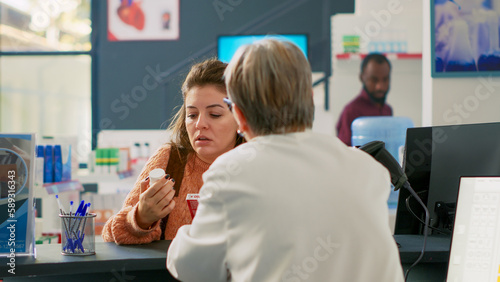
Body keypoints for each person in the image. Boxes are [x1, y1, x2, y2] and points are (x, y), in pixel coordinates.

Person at [166, 40, 404, 281]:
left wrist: (182, 237)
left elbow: (193, 268)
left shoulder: (231, 173)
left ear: (238, 114)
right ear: (310, 100)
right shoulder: (369, 170)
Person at [102, 59, 245, 244]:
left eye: (215, 114)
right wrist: (140, 218)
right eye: (192, 115)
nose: (200, 124)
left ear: (240, 117)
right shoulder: (170, 160)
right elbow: (111, 233)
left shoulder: (259, 165)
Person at [336, 53, 393, 146]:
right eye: (374, 80)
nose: (380, 86)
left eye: (385, 79)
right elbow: (344, 152)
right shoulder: (351, 111)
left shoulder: (388, 110)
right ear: (362, 77)